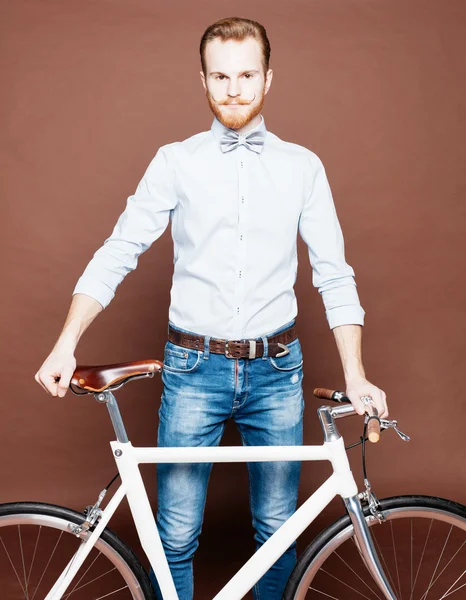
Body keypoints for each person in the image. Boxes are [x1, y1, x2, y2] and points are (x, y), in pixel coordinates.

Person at [35, 16, 389, 600]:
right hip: (192, 369)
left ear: (268, 79)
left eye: (246, 74)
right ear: (202, 79)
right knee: (173, 534)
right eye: (220, 76)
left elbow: (335, 275)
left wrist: (355, 373)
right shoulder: (176, 161)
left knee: (278, 532)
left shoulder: (304, 167)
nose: (233, 89)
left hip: (278, 370)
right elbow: (119, 250)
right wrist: (65, 342)